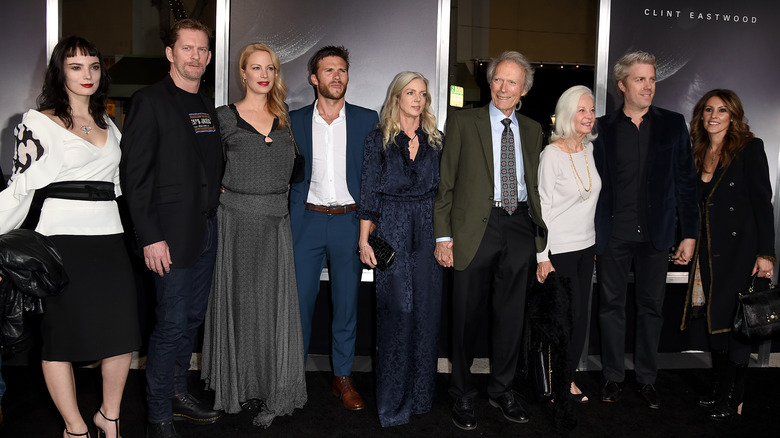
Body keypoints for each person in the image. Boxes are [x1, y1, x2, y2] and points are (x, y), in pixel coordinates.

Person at [0, 35, 140, 438]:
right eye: (76, 67)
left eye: (94, 66)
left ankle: (109, 418)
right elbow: (20, 189)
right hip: (61, 242)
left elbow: (120, 186)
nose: (87, 75)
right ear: (60, 72)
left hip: (110, 239)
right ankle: (75, 427)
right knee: (59, 340)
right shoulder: (37, 121)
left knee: (122, 334)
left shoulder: (110, 123)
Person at [119, 19, 224, 438]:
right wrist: (150, 237)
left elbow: (207, 167)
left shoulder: (206, 106)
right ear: (170, 53)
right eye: (187, 49)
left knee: (192, 319)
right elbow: (135, 178)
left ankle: (178, 393)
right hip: (168, 238)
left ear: (209, 57)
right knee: (171, 324)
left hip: (205, 233)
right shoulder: (149, 101)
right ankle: (158, 414)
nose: (195, 56)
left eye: (202, 50)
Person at [434, 50, 546, 430]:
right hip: (472, 230)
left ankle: (502, 391)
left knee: (511, 317)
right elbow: (445, 184)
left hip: (517, 226)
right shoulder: (464, 122)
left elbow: (536, 186)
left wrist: (540, 240)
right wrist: (444, 236)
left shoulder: (532, 130)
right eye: (498, 79)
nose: (502, 87)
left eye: (511, 82)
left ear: (524, 90)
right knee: (465, 315)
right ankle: (463, 394)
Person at [201, 42, 307, 427]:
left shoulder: (286, 118)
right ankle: (237, 387)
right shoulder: (222, 118)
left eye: (270, 68)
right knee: (240, 307)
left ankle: (272, 386)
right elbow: (206, 170)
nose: (264, 74)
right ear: (242, 74)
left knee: (272, 310)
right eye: (256, 68)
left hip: (277, 222)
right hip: (237, 221)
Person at [593, 50, 698, 409]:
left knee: (652, 308)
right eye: (640, 79)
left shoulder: (672, 123)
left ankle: (647, 378)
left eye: (652, 79)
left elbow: (686, 181)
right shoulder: (602, 128)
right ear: (622, 85)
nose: (649, 86)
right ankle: (612, 377)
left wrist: (689, 233)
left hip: (657, 235)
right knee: (611, 307)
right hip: (614, 234)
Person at [289, 45, 379, 410]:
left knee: (346, 305)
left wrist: (368, 227)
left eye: (341, 70)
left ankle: (342, 378)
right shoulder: (292, 120)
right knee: (298, 305)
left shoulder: (367, 119)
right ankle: (290, 378)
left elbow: (374, 178)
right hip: (305, 221)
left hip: (349, 222)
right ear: (314, 78)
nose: (336, 77)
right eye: (328, 71)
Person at [680, 89, 774, 420]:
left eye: (722, 110)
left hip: (741, 250)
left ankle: (735, 395)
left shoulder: (750, 148)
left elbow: (763, 203)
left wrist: (766, 253)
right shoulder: (698, 150)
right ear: (701, 115)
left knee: (738, 325)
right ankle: (720, 390)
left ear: (733, 116)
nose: (714, 115)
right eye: (708, 110)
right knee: (716, 322)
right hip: (709, 251)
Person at [357, 71, 443, 427]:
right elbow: (368, 196)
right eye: (411, 92)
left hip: (427, 227)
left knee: (426, 314)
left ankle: (421, 399)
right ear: (396, 98)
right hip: (390, 227)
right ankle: (393, 406)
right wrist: (364, 241)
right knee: (397, 314)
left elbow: (443, 193)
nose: (418, 99)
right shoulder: (377, 141)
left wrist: (444, 239)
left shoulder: (436, 141)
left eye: (423, 93)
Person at [535, 85, 601, 403]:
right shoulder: (552, 155)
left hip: (586, 249)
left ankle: (567, 377)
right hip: (558, 250)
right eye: (581, 110)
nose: (588, 116)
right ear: (567, 114)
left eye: (591, 110)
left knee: (579, 319)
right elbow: (542, 208)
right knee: (563, 319)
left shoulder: (589, 150)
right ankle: (557, 382)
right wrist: (541, 255)